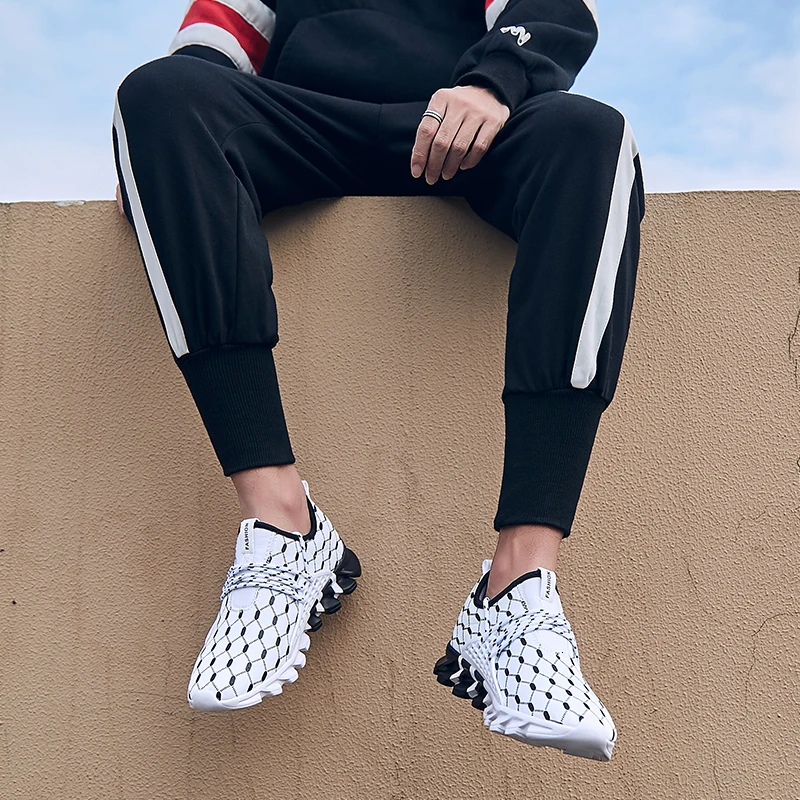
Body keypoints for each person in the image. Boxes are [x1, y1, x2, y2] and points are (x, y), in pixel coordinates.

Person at [112, 0, 644, 762]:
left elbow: (552, 9)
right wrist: (159, 157)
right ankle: (283, 528)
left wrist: (492, 82)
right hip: (305, 126)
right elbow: (206, 52)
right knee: (155, 97)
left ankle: (518, 587)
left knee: (594, 135)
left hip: (462, 125)